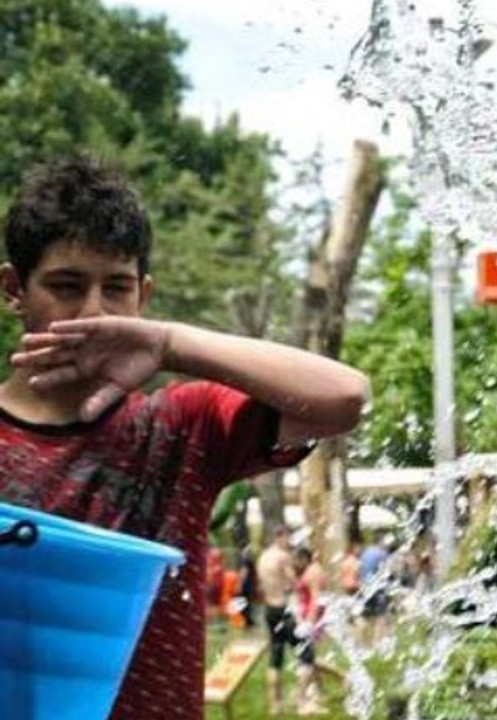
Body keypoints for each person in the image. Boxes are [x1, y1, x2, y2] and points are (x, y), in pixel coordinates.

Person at [0, 156, 370, 720]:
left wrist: (171, 344)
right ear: (14, 289)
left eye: (117, 289)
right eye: (66, 287)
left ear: (143, 297)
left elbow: (344, 397)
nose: (95, 313)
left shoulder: (180, 427)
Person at [257, 526, 299, 715]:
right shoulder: (283, 557)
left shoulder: (263, 557)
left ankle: (275, 703)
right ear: (280, 537)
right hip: (283, 607)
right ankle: (310, 696)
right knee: (304, 650)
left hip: (269, 609)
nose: (289, 542)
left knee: (276, 654)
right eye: (288, 537)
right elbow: (294, 582)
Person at [292, 545, 328, 716]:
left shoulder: (312, 572)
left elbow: (316, 599)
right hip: (306, 621)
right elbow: (303, 598)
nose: (294, 564)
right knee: (309, 660)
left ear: (304, 558)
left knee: (306, 662)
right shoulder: (308, 570)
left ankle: (301, 701)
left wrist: (309, 624)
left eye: (296, 560)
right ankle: (315, 696)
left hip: (310, 622)